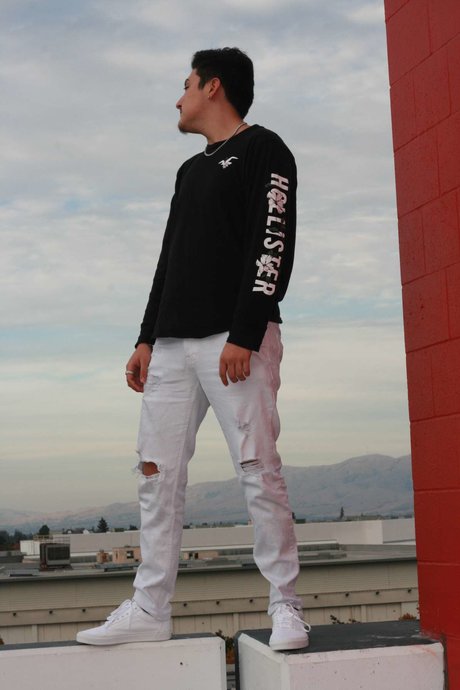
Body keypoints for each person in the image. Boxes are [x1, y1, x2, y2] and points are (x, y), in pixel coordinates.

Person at [76, 47, 310, 651]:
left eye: (185, 84)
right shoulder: (189, 171)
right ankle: (149, 608)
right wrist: (146, 336)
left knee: (258, 470)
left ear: (213, 86)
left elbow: (273, 241)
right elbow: (171, 259)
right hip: (172, 346)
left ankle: (285, 604)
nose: (177, 98)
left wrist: (245, 331)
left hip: (234, 342)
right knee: (156, 474)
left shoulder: (265, 150)